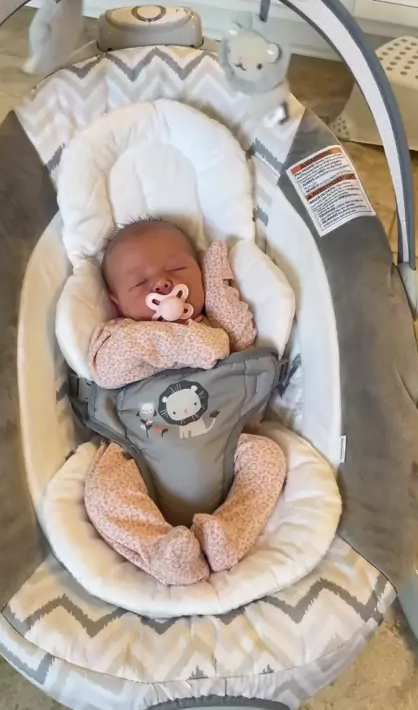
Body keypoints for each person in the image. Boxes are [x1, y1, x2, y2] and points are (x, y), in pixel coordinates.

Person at [84, 218, 286, 586]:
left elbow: (241, 338)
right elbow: (108, 371)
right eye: (140, 282)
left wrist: (217, 282)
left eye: (177, 269)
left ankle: (227, 534)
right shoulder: (122, 333)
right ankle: (162, 551)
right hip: (144, 455)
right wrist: (181, 342)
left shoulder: (215, 326)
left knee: (267, 458)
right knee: (104, 492)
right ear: (116, 301)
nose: (162, 284)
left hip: (225, 442)